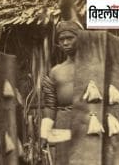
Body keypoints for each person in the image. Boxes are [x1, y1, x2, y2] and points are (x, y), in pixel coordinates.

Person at [40, 20, 83, 165]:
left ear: (81, 37)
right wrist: (45, 133)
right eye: (61, 39)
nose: (65, 43)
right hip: (63, 123)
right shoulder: (56, 71)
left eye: (70, 38)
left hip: (89, 122)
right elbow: (50, 105)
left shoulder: (95, 67)